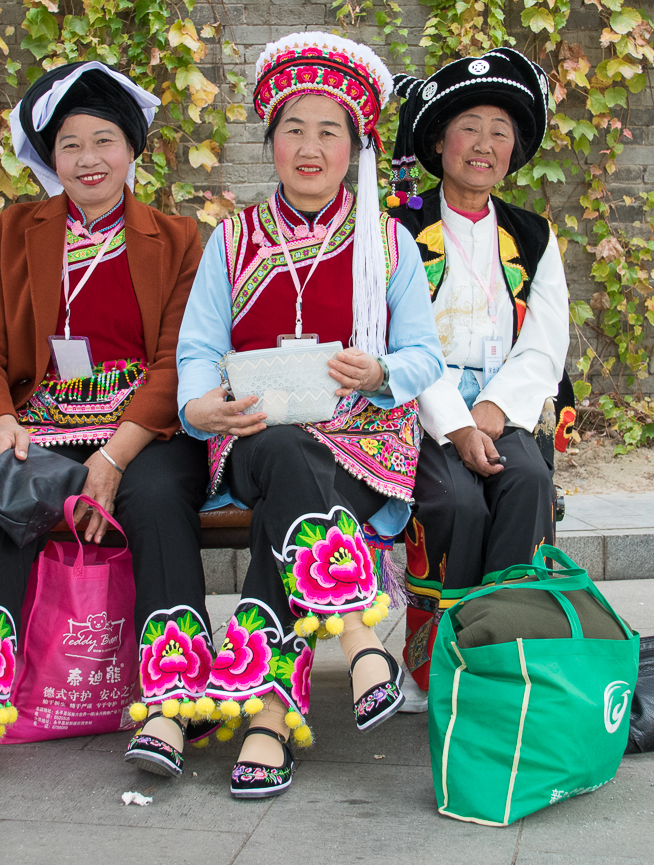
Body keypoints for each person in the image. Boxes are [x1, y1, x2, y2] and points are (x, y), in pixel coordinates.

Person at [0, 62, 215, 777]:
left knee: (160, 497)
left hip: (145, 431)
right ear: (51, 158)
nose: (87, 159)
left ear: (132, 150)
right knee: (8, 489)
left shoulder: (178, 239)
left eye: (104, 140)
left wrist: (114, 456)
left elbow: (177, 361)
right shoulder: (16, 231)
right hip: (42, 422)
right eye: (69, 144)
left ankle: (170, 702)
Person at [176, 32, 444, 799]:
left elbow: (425, 354)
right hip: (254, 435)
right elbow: (198, 350)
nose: (310, 146)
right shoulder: (230, 240)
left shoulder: (387, 242)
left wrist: (383, 368)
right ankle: (358, 632)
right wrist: (204, 405)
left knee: (283, 519)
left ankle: (267, 720)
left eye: (329, 130)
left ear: (353, 144)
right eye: (294, 127)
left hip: (362, 444)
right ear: (271, 142)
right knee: (288, 453)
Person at [384, 48, 576, 708]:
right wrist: (455, 423)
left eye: (501, 129)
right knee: (455, 502)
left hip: (503, 400)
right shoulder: (399, 228)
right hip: (420, 402)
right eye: (470, 126)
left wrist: (490, 413)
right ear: (440, 140)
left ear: (515, 147)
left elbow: (544, 342)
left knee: (528, 481)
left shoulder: (533, 235)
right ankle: (431, 663)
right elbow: (396, 338)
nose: (485, 144)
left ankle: (506, 657)